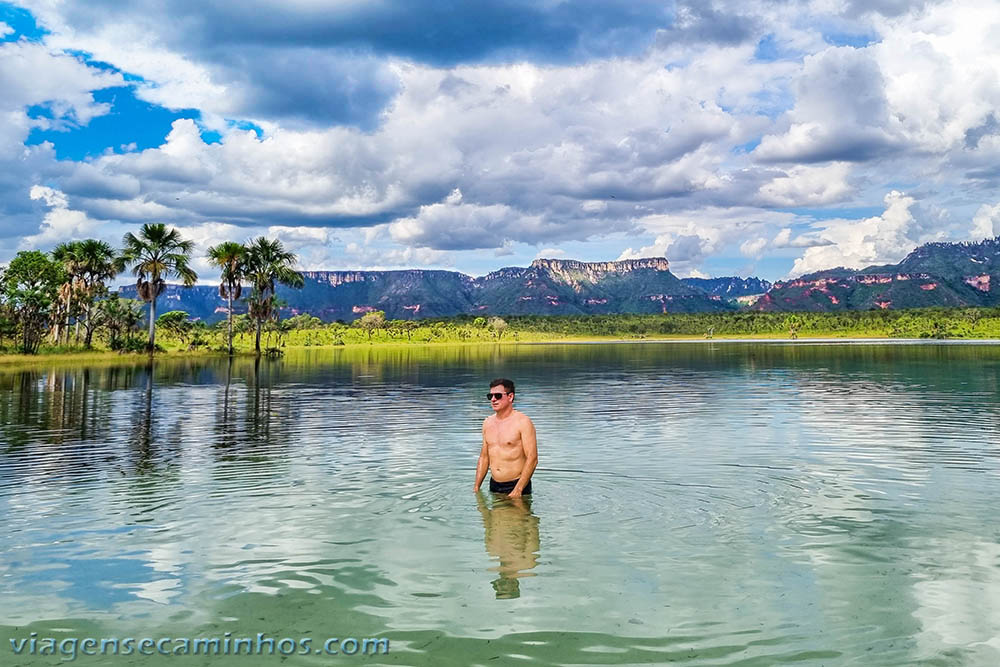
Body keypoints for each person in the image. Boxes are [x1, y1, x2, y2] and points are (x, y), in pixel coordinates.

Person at [474, 378, 537, 497]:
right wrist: (477, 487)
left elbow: (532, 459)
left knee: (518, 516)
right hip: (494, 485)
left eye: (497, 396)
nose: (493, 399)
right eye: (490, 396)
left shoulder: (523, 422)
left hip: (517, 485)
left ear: (510, 397)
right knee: (493, 516)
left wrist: (518, 490)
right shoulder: (487, 423)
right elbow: (484, 457)